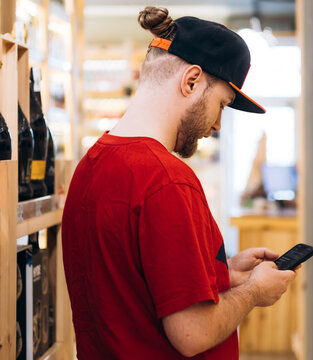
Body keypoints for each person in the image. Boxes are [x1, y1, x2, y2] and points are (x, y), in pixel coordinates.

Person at [61, 7, 298, 360]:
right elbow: (192, 333)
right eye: (222, 104)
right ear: (190, 81)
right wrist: (254, 293)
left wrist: (222, 274)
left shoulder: (92, 164)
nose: (217, 124)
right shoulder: (167, 180)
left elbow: (132, 287)